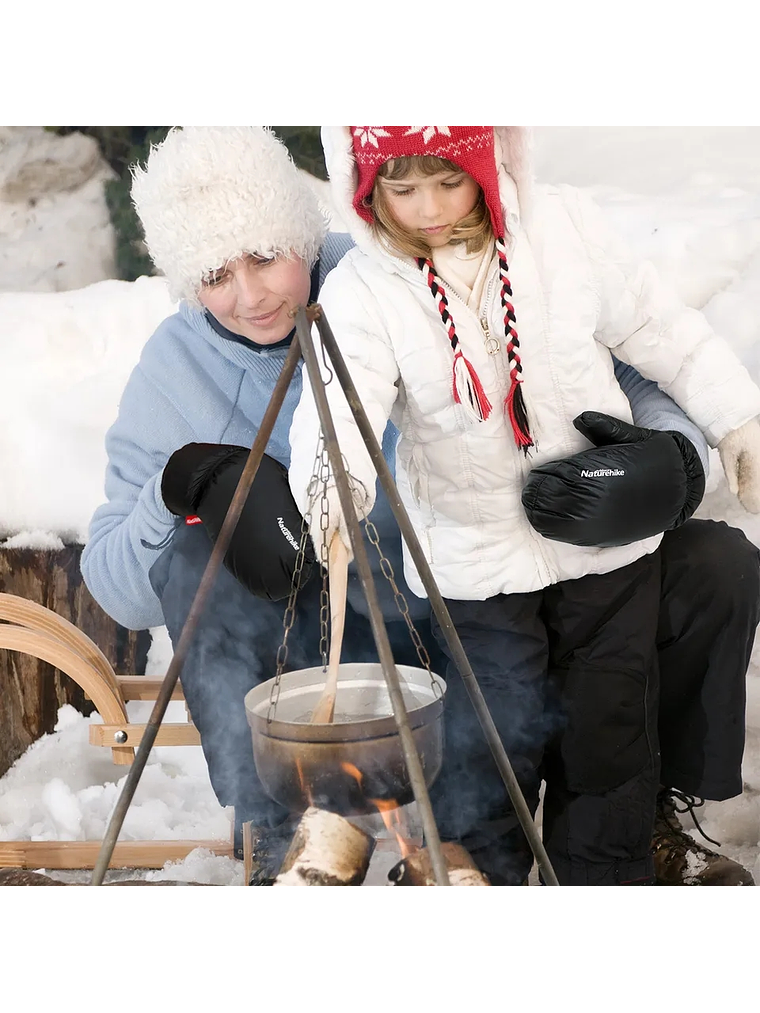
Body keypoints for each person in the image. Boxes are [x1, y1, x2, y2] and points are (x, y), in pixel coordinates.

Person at [82, 125, 756, 886]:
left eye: (266, 257)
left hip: (501, 583)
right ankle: (289, 837)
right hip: (351, 654)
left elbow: (616, 361)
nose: (250, 294)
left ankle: (642, 816)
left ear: (304, 229)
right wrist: (180, 485)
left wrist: (672, 462)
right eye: (212, 273)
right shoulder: (183, 367)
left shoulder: (393, 264)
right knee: (196, 555)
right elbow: (118, 587)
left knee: (714, 565)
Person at [287, 125, 760, 886]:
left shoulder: (562, 230)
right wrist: (331, 485)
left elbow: (657, 325)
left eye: (448, 182)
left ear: (484, 159)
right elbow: (337, 403)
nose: (428, 209)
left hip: (606, 545)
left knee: (609, 737)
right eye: (401, 191)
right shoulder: (366, 288)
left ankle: (604, 872)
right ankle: (488, 873)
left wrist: (738, 416)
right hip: (475, 569)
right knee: (495, 746)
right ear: (367, 185)